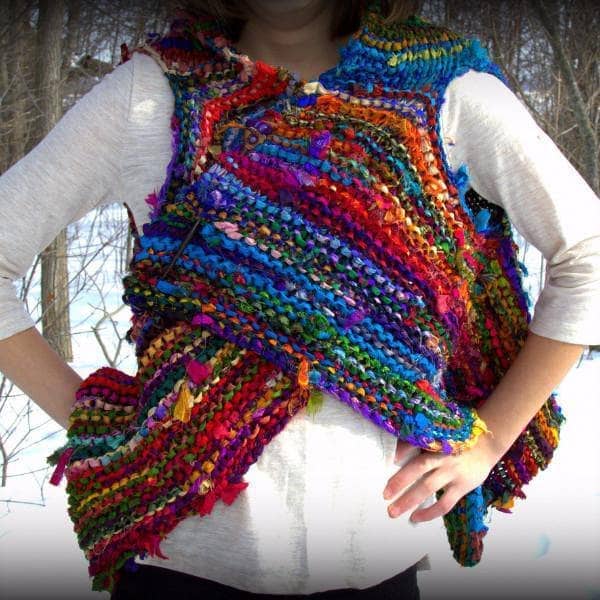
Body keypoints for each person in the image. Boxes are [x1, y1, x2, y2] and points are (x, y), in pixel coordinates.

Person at [0, 0, 599, 598]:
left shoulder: (440, 90)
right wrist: (102, 418)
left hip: (375, 560)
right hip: (180, 564)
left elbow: (587, 254)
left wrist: (492, 438)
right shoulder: (151, 94)